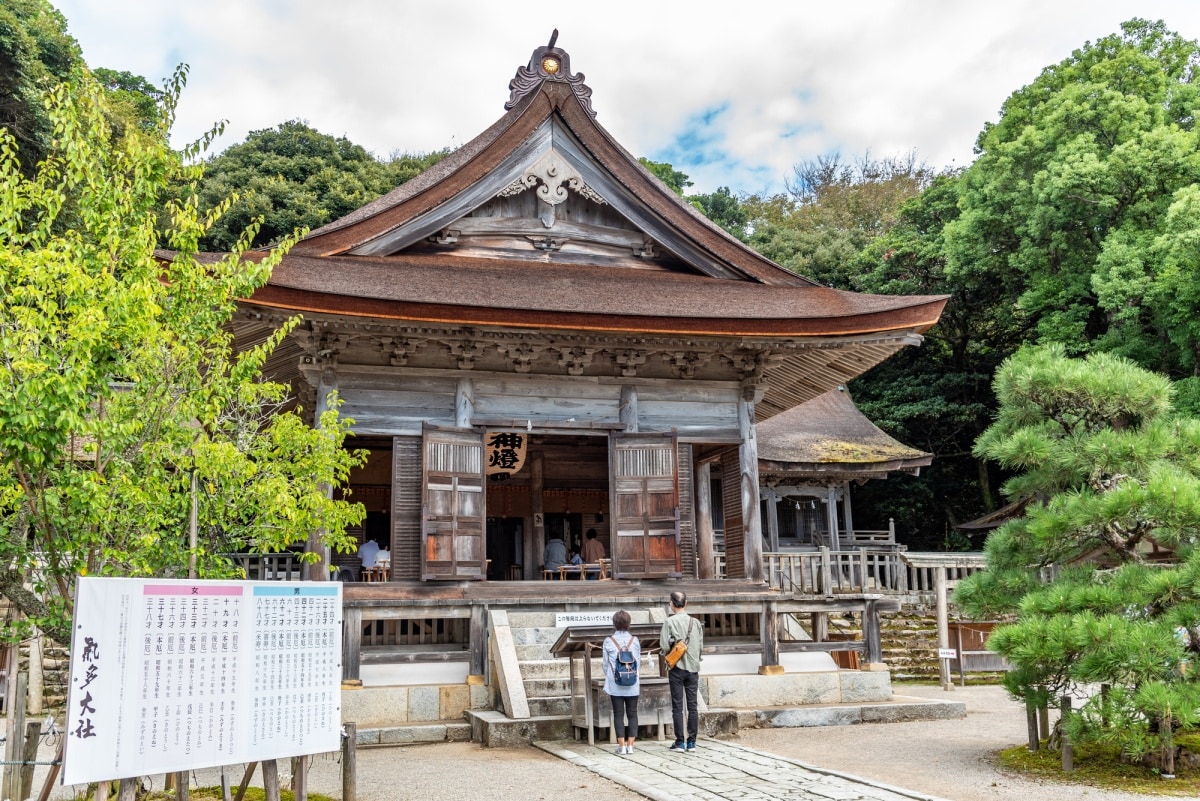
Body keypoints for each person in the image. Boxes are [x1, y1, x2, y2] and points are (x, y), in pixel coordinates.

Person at [661, 590, 703, 752]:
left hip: (676, 667)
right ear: (685, 604)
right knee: (693, 706)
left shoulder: (669, 622)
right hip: (693, 668)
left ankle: (680, 742)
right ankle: (692, 742)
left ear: (672, 604)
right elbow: (700, 647)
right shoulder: (695, 622)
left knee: (677, 706)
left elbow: (664, 645)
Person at [603, 610, 640, 755]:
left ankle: (621, 746)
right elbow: (638, 661)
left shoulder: (608, 641)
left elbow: (605, 664)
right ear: (629, 624)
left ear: (614, 624)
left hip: (615, 682)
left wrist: (609, 675)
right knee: (632, 713)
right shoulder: (635, 640)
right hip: (632, 682)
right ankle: (631, 746)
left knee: (618, 714)